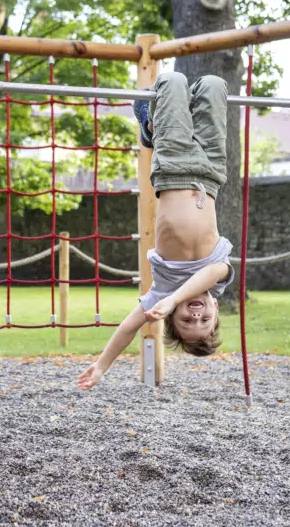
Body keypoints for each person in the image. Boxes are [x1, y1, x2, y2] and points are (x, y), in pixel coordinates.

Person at [78, 71, 234, 390]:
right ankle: (151, 126)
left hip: (174, 170)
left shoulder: (162, 294)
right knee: (214, 85)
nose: (196, 316)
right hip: (211, 174)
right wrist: (174, 299)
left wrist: (101, 366)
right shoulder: (216, 281)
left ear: (172, 317)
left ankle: (150, 122)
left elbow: (126, 329)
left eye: (188, 322)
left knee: (174, 81)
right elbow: (215, 269)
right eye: (205, 320)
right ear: (215, 309)